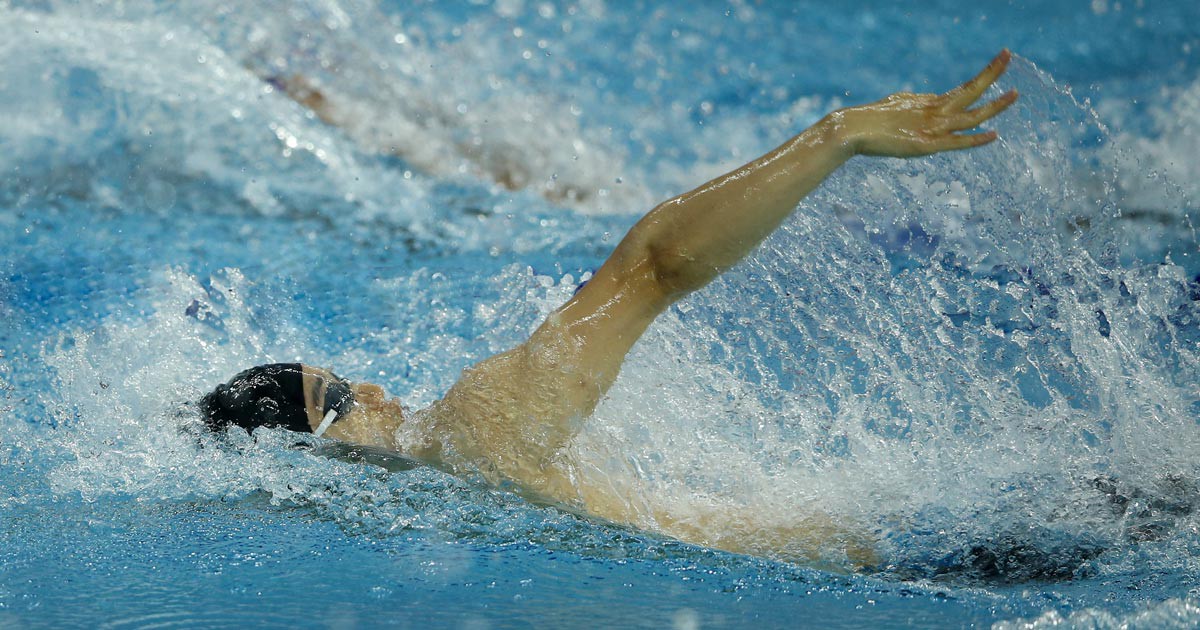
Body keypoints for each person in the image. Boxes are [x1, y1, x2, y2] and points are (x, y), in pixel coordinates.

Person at [201, 51, 1019, 567]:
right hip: (927, 565)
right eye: (342, 391)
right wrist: (834, 135)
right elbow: (655, 267)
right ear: (331, 431)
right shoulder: (479, 426)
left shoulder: (425, 527)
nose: (375, 389)